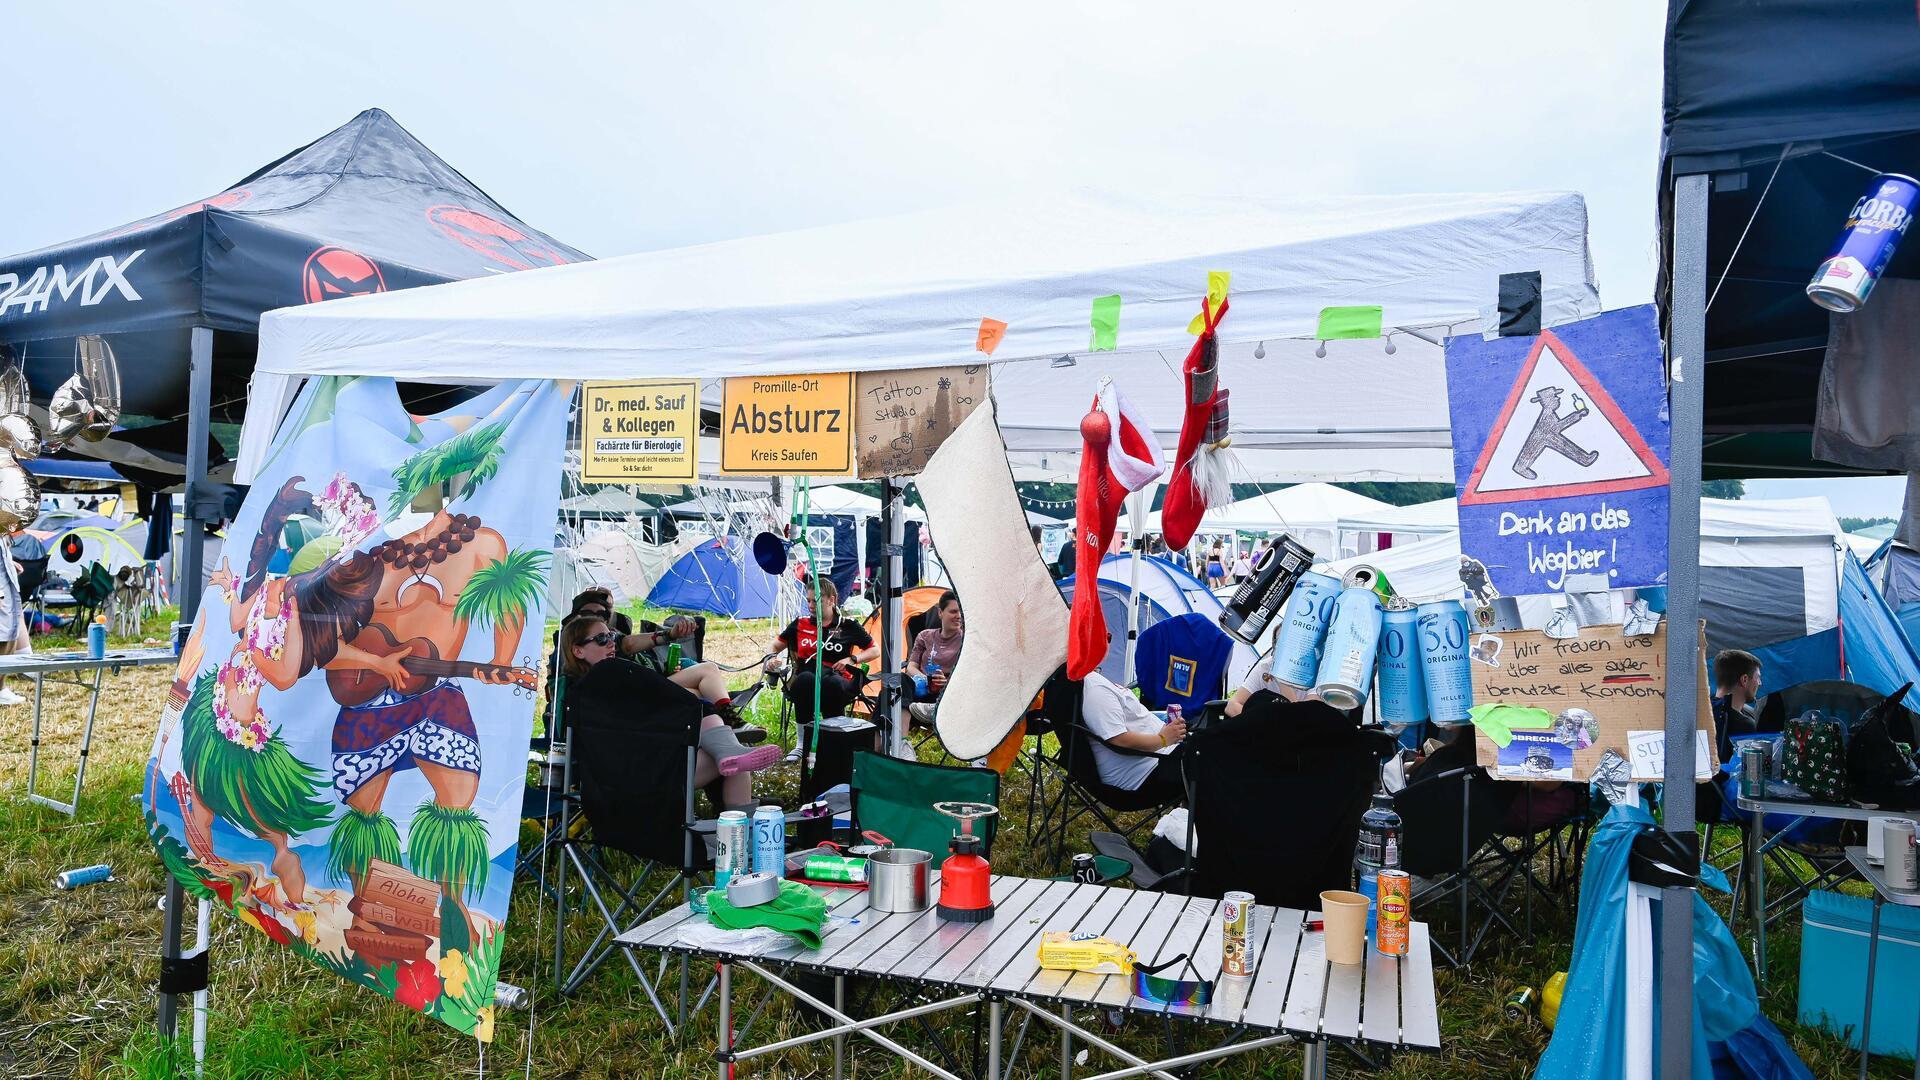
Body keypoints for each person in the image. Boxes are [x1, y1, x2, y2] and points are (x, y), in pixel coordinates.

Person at [562, 616, 778, 809]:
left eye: (611, 636)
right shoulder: (609, 687)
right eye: (601, 639)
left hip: (637, 774)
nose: (611, 643)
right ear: (577, 650)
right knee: (733, 759)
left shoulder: (582, 693)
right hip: (644, 779)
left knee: (732, 756)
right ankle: (738, 840)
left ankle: (730, 751)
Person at [556, 588, 759, 731]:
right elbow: (627, 644)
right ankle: (730, 722)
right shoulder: (574, 645)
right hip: (640, 706)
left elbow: (626, 643)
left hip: (650, 702)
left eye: (603, 613)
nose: (596, 618)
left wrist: (669, 639)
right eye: (587, 613)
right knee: (708, 670)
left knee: (695, 695)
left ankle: (725, 735)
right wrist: (668, 635)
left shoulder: (612, 638)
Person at [766, 578, 877, 741]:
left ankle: (831, 741)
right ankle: (802, 743)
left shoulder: (848, 625)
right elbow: (774, 646)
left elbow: (875, 650)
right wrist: (771, 658)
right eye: (808, 601)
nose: (811, 605)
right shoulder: (800, 623)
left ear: (832, 600)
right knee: (805, 680)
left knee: (831, 684)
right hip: (806, 676)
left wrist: (852, 659)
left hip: (838, 678)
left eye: (816, 601)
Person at [1079, 670, 1189, 803]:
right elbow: (1119, 740)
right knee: (1210, 755)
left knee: (1208, 745)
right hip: (1146, 772)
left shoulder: (1090, 682)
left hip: (1158, 756)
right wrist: (1163, 739)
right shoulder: (1095, 691)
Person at [905, 590, 963, 725]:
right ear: (940, 613)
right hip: (921, 689)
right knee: (894, 683)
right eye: (953, 612)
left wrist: (947, 682)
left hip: (950, 693)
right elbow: (911, 666)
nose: (958, 616)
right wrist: (923, 678)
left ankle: (936, 709)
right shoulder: (925, 636)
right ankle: (898, 742)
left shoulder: (966, 639)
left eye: (960, 612)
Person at [1711, 649, 1762, 763]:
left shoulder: (1700, 713)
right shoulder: (1744, 725)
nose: (1759, 683)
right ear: (1744, 679)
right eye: (1757, 678)